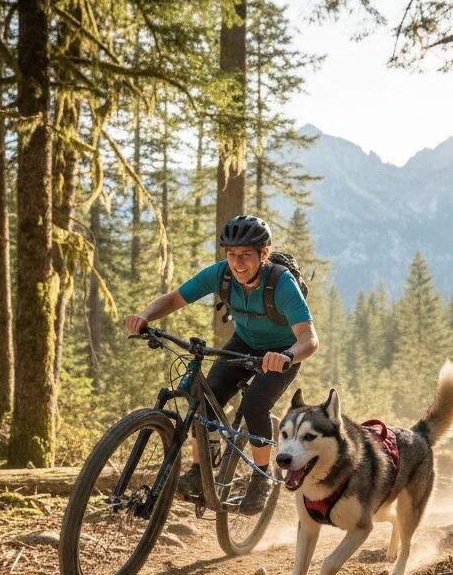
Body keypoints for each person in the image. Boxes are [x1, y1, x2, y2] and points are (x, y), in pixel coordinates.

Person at [124, 214, 319, 514]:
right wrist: (145, 316)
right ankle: (200, 470)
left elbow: (309, 339)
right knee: (205, 398)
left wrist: (288, 356)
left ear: (263, 254)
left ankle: (260, 479)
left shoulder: (281, 283)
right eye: (231, 254)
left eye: (246, 255)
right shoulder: (221, 274)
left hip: (283, 352)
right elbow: (175, 299)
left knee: (255, 403)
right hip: (244, 342)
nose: (237, 263)